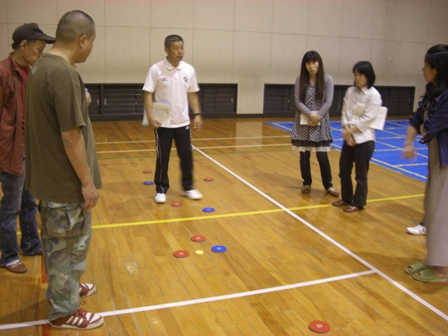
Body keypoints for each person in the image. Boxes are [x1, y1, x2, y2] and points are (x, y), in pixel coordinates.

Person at [25, 10, 104, 329]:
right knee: (68, 246)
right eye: (93, 41)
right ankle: (64, 310)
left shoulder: (42, 66)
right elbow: (70, 135)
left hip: (50, 179)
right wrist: (87, 182)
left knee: (63, 245)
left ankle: (67, 288)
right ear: (82, 39)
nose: (91, 47)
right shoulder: (63, 73)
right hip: (64, 184)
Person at [0, 23, 55, 274]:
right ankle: (9, 256)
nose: (41, 54)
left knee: (29, 203)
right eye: (39, 49)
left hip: (28, 151)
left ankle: (31, 244)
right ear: (23, 46)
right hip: (9, 152)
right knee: (10, 207)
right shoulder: (2, 72)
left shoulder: (31, 73)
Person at [403, 44, 448, 282]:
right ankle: (434, 259)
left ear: (438, 69)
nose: (422, 69)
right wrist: (409, 142)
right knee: (431, 208)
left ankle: (443, 269)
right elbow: (417, 118)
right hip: (437, 160)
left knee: (442, 213)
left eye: (426, 65)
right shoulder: (433, 91)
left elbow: (429, 129)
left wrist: (419, 131)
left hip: (446, 162)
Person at [143, 35, 203, 204]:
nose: (180, 51)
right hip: (163, 118)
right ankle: (161, 189)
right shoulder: (156, 69)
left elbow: (192, 94)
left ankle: (188, 186)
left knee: (186, 156)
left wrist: (197, 114)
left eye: (182, 47)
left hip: (182, 120)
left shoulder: (188, 70)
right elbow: (148, 93)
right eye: (176, 48)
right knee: (163, 157)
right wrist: (150, 116)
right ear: (166, 50)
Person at [332, 61, 382, 212]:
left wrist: (351, 131)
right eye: (355, 74)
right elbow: (345, 112)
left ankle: (358, 203)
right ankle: (346, 198)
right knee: (344, 170)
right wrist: (347, 130)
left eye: (360, 75)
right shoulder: (350, 91)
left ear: (368, 76)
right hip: (349, 138)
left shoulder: (374, 95)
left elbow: (367, 119)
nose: (357, 78)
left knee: (361, 175)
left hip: (365, 140)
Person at [291, 51, 339, 197]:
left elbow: (328, 102)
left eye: (314, 62)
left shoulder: (327, 79)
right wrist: (310, 115)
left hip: (321, 121)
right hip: (304, 120)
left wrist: (317, 116)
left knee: (322, 156)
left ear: (319, 62)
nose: (311, 66)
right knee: (304, 155)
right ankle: (306, 183)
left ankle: (329, 185)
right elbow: (298, 101)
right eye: (308, 63)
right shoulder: (300, 80)